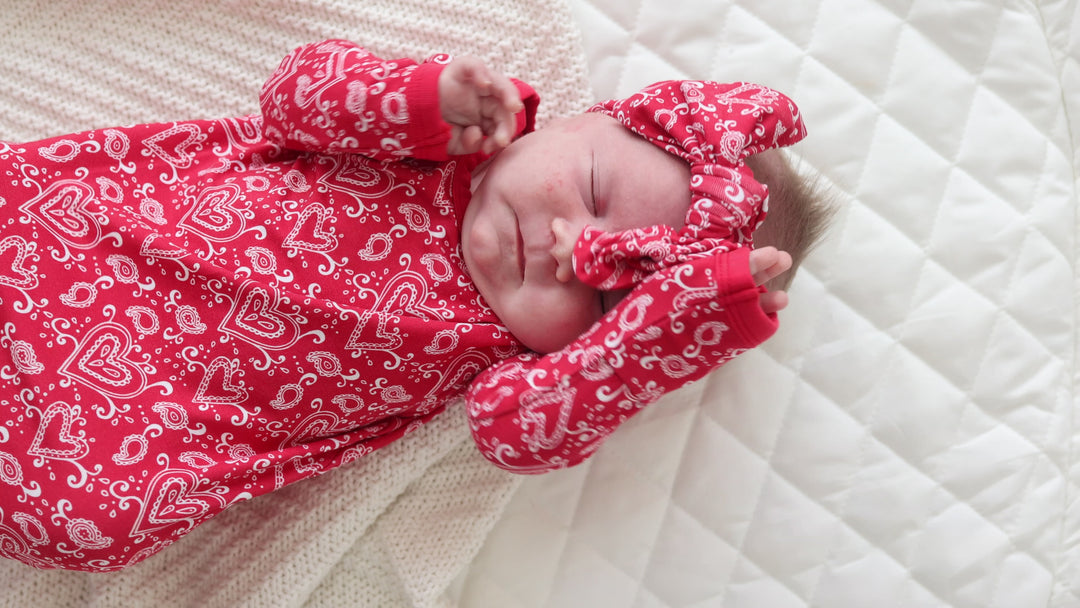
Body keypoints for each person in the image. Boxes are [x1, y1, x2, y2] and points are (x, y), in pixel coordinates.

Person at [0, 39, 831, 571]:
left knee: (84, 523)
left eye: (603, 291)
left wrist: (667, 331)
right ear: (574, 126)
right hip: (104, 238)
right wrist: (419, 101)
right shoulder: (453, 141)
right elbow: (293, 92)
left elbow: (519, 437)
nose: (562, 246)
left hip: (144, 413)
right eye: (589, 189)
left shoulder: (525, 370)